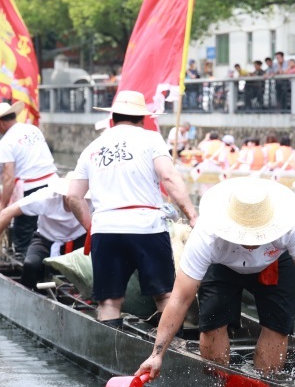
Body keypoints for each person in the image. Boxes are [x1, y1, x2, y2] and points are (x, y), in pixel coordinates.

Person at [134, 178, 295, 379]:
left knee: (278, 327)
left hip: (274, 263)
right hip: (222, 265)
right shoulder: (207, 237)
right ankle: (218, 384)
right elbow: (180, 299)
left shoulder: (291, 226)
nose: (250, 243)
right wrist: (157, 354)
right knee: (213, 323)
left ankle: (264, 385)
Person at [66, 90, 198, 325]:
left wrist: (91, 227)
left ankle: (110, 345)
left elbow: (73, 196)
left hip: (106, 230)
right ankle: (168, 345)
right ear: (143, 118)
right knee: (164, 296)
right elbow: (168, 177)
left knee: (109, 303)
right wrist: (193, 216)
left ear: (113, 118)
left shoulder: (92, 147)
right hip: (147, 228)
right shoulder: (151, 139)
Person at [0, 173, 88, 288]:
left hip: (79, 242)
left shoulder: (91, 202)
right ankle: (28, 290)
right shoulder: (46, 197)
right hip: (46, 239)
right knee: (30, 264)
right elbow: (6, 213)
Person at [0, 101, 57, 256]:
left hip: (31, 188)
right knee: (45, 228)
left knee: (23, 233)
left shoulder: (7, 141)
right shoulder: (33, 129)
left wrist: (4, 206)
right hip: (53, 183)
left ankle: (23, 261)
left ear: (1, 123)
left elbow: (8, 178)